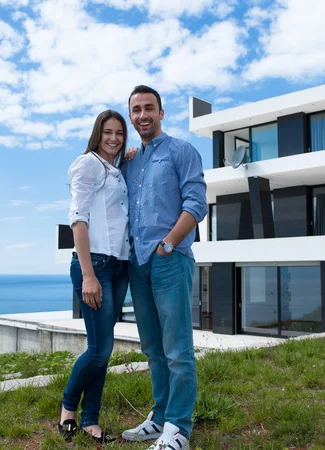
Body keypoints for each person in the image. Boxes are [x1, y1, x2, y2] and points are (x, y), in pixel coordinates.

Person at [121, 85, 207, 450]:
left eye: (149, 108)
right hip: (137, 263)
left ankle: (179, 429)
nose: (142, 115)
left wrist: (169, 244)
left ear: (161, 112)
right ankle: (160, 417)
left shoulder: (182, 151)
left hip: (170, 259)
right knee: (153, 348)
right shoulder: (130, 160)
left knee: (177, 349)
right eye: (136, 110)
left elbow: (197, 203)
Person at [58, 109, 132, 445]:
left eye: (119, 133)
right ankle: (68, 409)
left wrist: (129, 156)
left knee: (102, 346)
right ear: (97, 134)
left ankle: (91, 420)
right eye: (108, 132)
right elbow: (78, 220)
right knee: (100, 350)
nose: (114, 138)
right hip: (96, 266)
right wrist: (88, 275)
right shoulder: (86, 164)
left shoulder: (115, 169)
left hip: (119, 267)